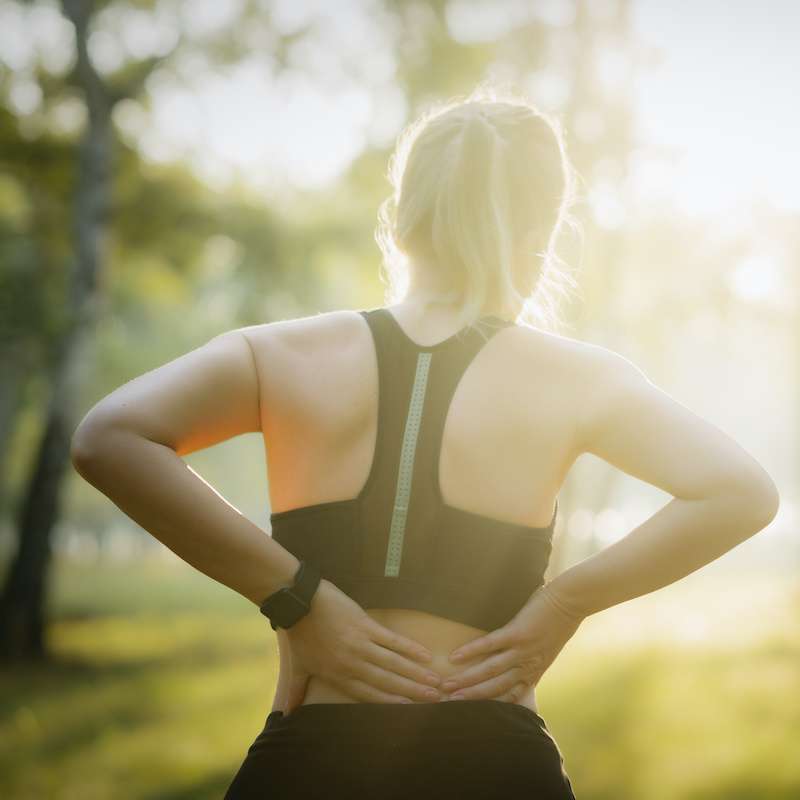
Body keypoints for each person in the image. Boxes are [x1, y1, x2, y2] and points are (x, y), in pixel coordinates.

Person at [71, 85, 780, 799]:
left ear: (404, 220)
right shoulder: (578, 379)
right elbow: (741, 491)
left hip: (312, 759)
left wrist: (296, 599)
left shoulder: (282, 355)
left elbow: (110, 438)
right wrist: (563, 606)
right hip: (495, 760)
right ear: (542, 229)